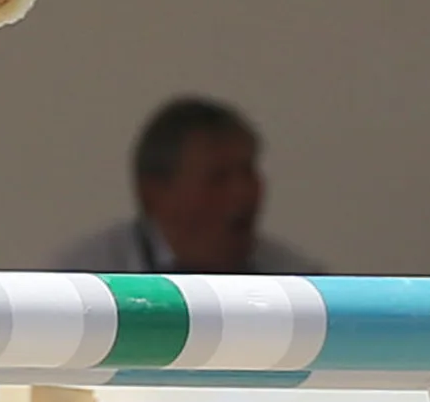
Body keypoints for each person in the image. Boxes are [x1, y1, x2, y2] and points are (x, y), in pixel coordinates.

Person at [46, 98, 320, 276]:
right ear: (154, 192)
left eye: (247, 172)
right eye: (218, 178)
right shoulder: (86, 282)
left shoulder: (299, 285)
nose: (243, 193)